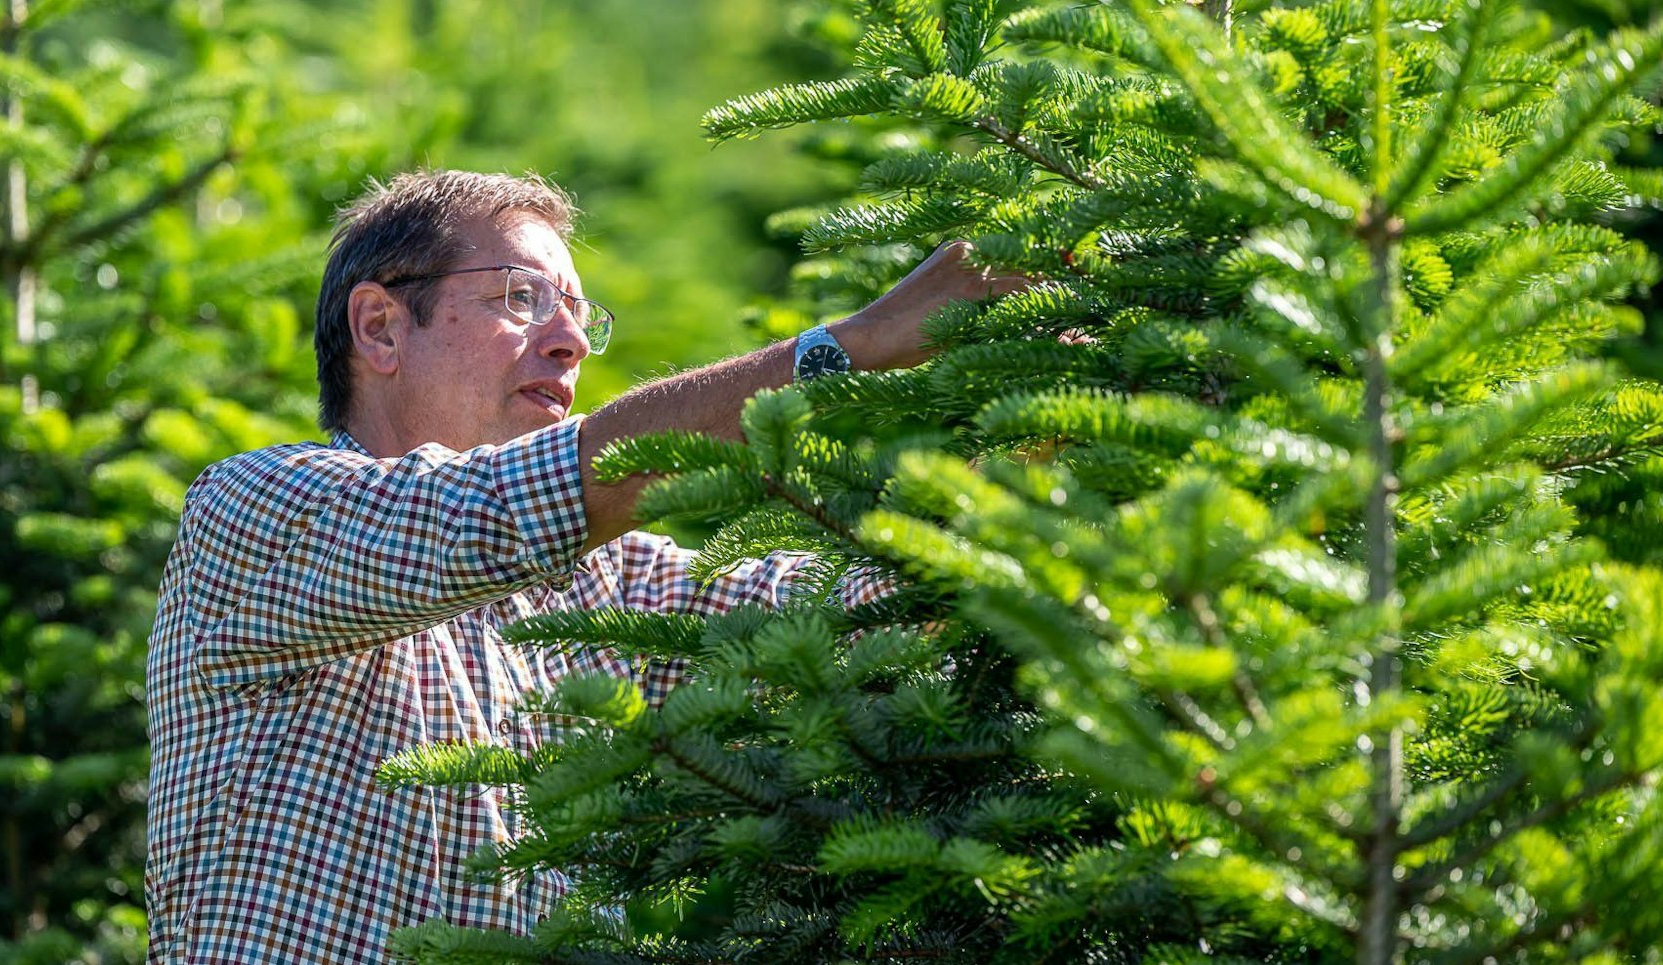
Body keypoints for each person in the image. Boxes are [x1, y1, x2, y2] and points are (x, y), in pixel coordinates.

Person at [143, 170, 1028, 962]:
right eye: (524, 296)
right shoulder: (255, 512)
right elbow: (524, 499)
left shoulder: (599, 591)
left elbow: (869, 620)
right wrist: (856, 342)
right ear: (380, 326)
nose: (570, 341)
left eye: (580, 313)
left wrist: (1035, 417)